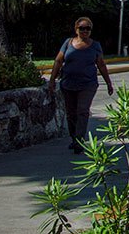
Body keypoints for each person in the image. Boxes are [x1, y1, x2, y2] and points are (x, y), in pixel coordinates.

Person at [47, 17, 114, 153]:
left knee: (82, 111)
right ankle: (74, 138)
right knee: (71, 113)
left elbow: (101, 64)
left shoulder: (95, 45)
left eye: (88, 28)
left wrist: (108, 83)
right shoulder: (68, 43)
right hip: (68, 83)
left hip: (87, 84)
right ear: (76, 29)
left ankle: (79, 140)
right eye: (82, 28)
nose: (85, 31)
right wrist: (52, 80)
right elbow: (58, 61)